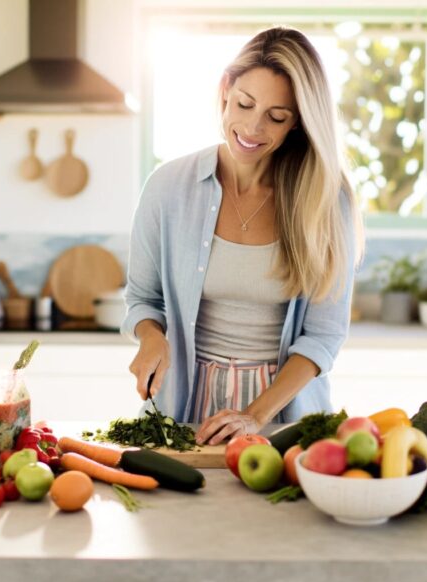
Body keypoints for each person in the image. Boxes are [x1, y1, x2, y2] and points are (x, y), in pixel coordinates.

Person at [122, 26, 363, 446]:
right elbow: (143, 299)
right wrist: (151, 336)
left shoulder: (326, 199)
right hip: (183, 406)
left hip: (282, 414)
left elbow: (323, 336)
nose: (252, 128)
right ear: (225, 90)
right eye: (245, 104)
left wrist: (254, 417)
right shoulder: (167, 187)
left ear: (299, 122)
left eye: (276, 116)